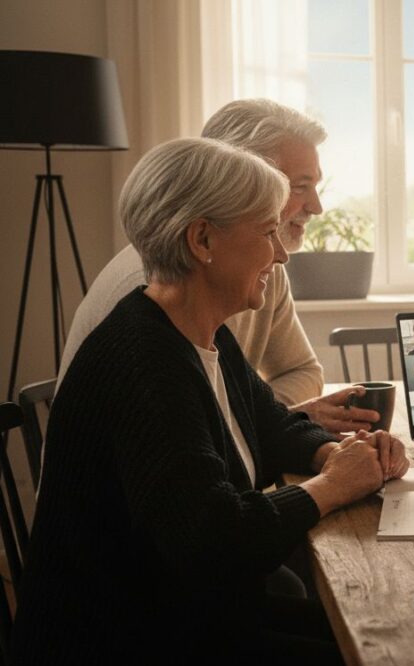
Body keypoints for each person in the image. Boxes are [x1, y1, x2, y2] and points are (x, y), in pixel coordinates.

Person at [11, 138, 410, 666]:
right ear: (202, 240)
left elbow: (272, 427)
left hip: (189, 620)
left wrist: (339, 451)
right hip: (127, 652)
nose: (282, 253)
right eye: (268, 232)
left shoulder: (201, 332)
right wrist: (332, 486)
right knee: (389, 663)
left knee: (392, 639)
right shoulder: (141, 361)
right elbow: (213, 541)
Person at [58, 99, 379, 434]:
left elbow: (300, 372)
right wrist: (282, 426)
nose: (317, 207)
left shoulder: (260, 268)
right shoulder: (160, 289)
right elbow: (178, 454)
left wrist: (271, 427)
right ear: (236, 179)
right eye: (299, 187)